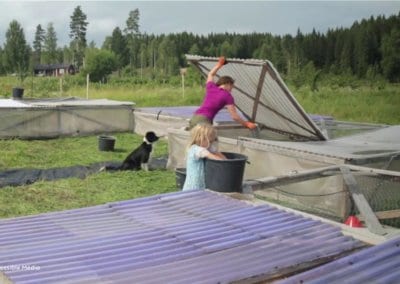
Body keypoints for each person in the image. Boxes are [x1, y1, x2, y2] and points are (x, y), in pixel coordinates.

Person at [188, 56, 257, 130]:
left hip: (194, 118)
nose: (231, 89)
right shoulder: (227, 96)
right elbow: (234, 116)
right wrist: (247, 123)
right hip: (204, 121)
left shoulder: (211, 87)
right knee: (209, 140)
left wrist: (219, 64)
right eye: (231, 87)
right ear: (227, 84)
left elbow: (210, 74)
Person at [182, 123, 226, 191]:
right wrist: (227, 163)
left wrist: (225, 159)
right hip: (193, 184)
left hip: (201, 183)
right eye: (210, 141)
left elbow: (217, 153)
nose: (211, 144)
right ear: (200, 138)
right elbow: (213, 157)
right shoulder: (196, 149)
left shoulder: (205, 146)